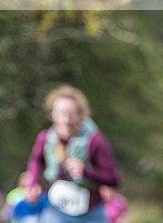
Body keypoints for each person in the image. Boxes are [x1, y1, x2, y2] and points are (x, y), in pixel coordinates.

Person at [24, 85, 121, 223]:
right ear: (52, 114)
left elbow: (113, 178)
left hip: (90, 215)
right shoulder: (46, 138)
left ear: (81, 115)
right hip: (56, 212)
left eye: (71, 114)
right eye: (60, 114)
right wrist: (33, 183)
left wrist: (86, 172)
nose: (65, 120)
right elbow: (37, 160)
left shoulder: (95, 141)